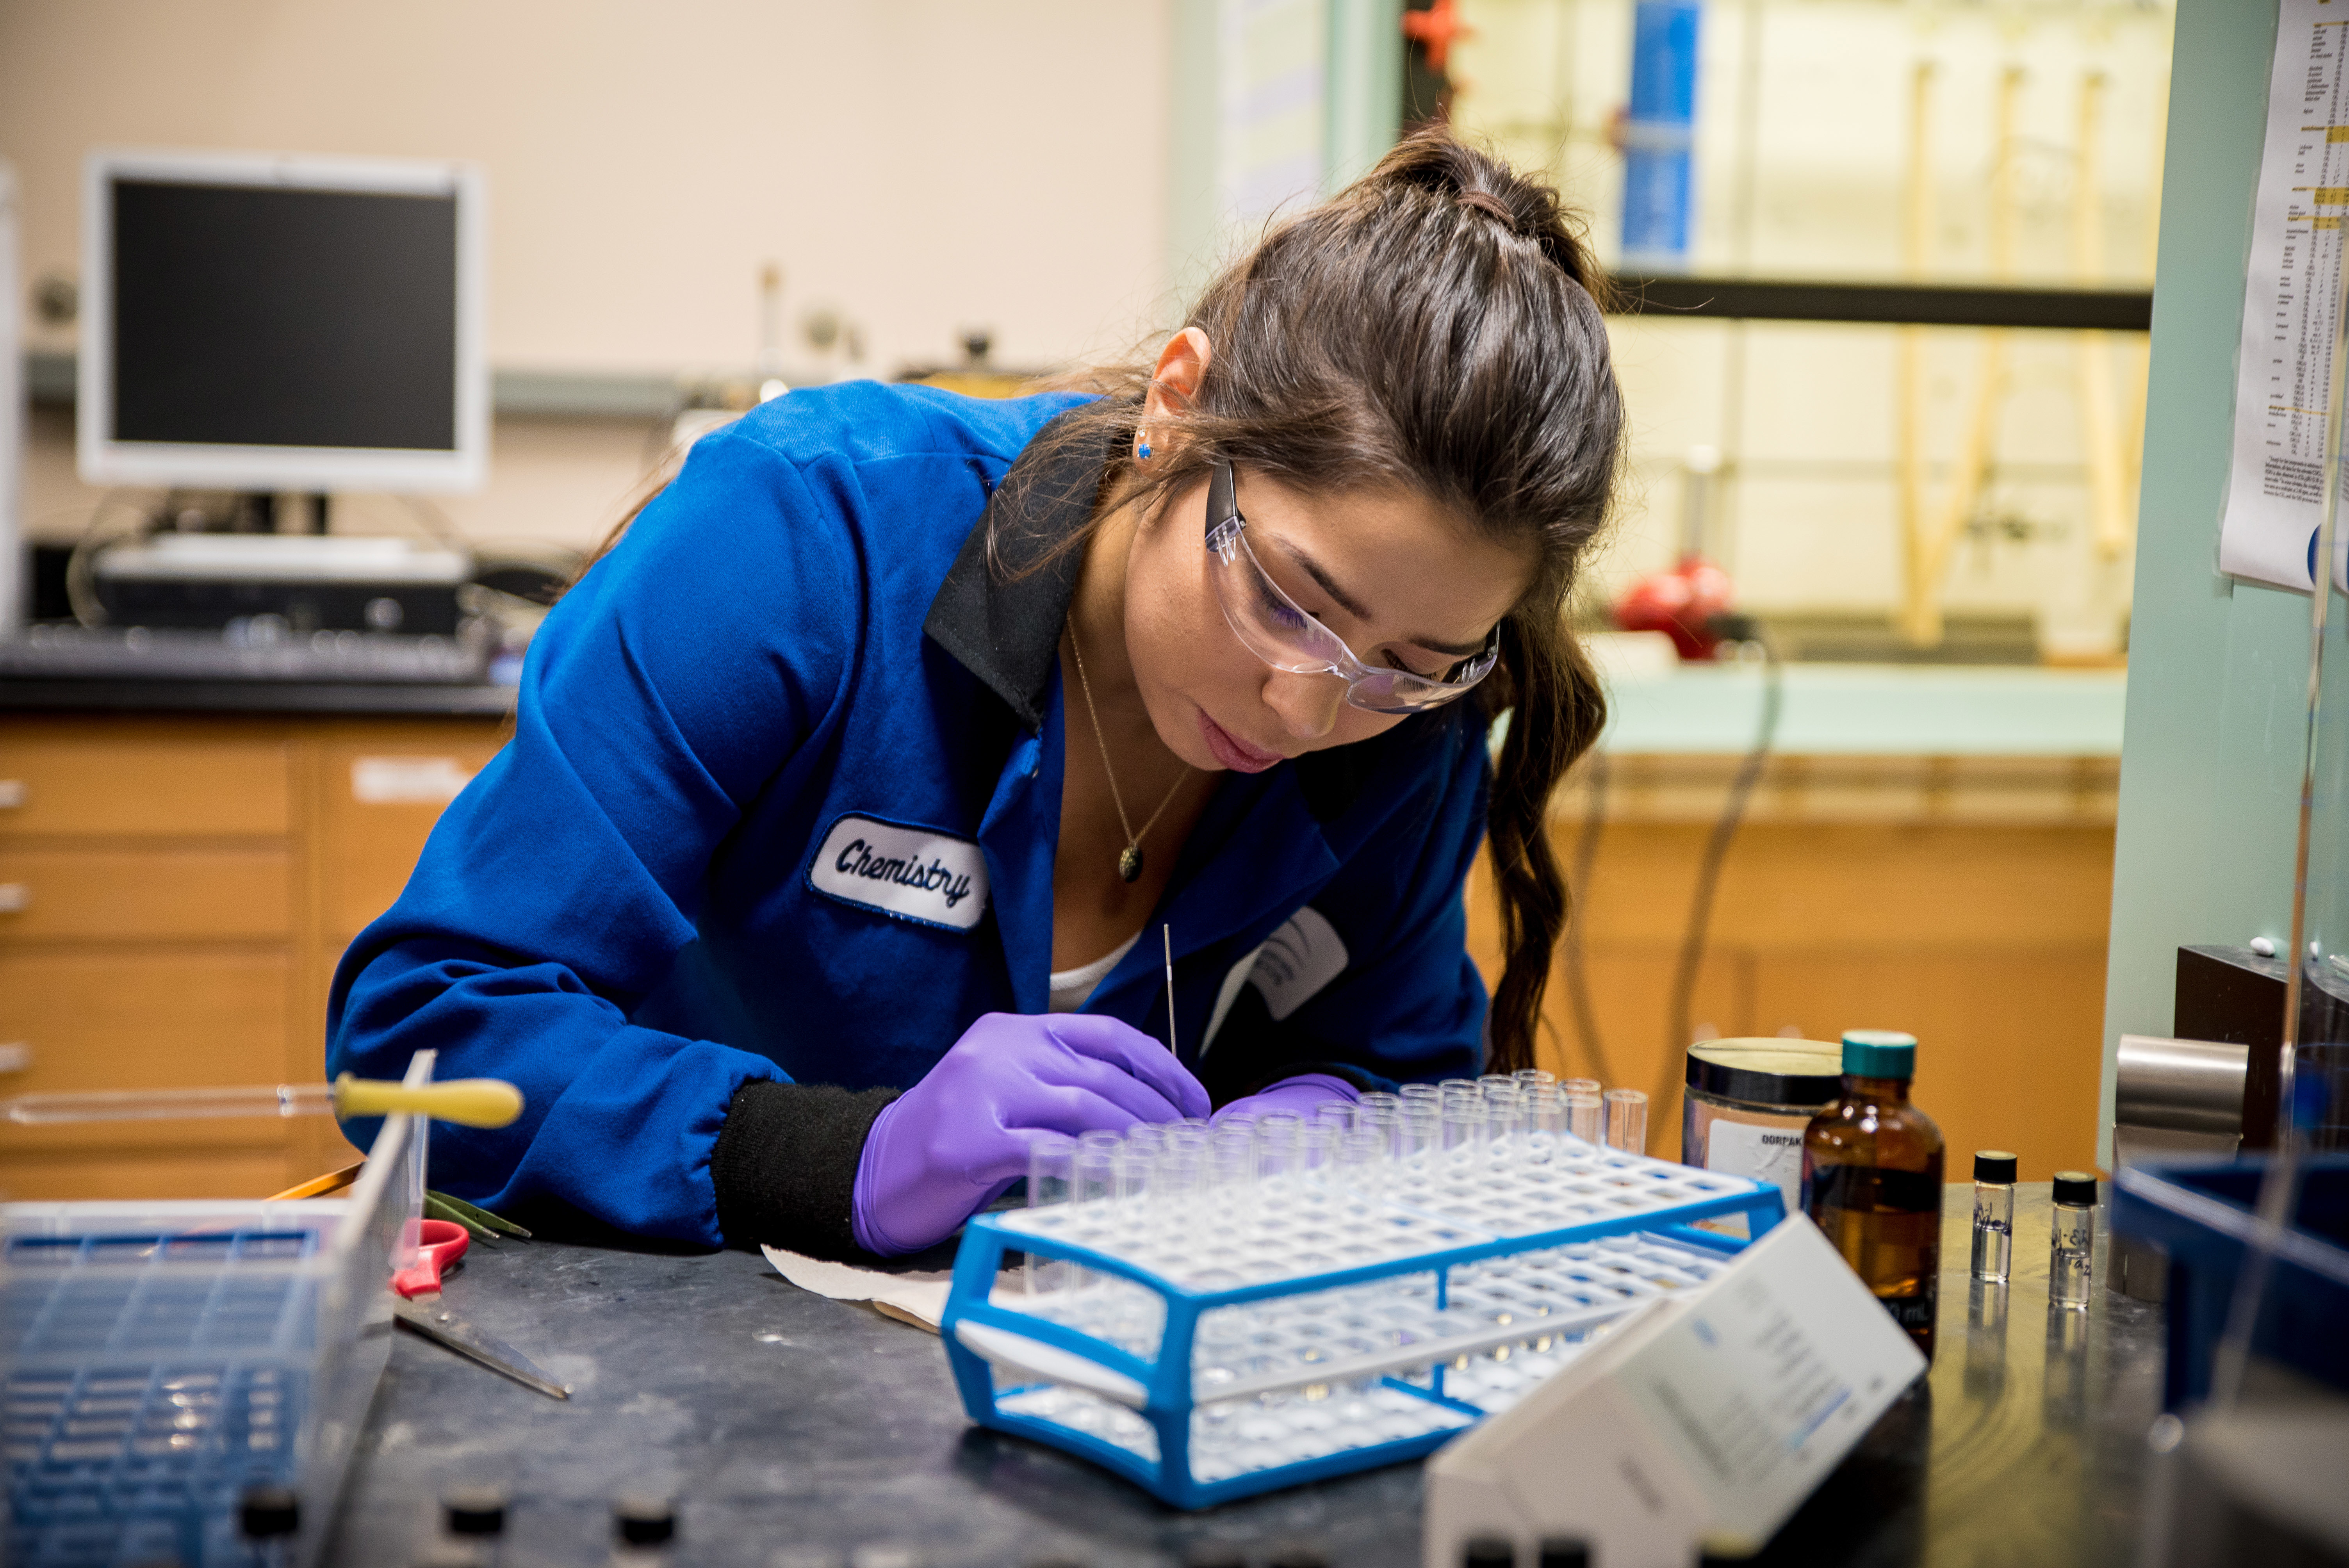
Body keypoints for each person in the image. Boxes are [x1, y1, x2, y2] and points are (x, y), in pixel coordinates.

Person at [326, 130, 1624, 1258]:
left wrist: (1338, 1132)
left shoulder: (1411, 719)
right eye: (1287, 599)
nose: (1304, 711)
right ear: (1178, 407)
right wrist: (832, 1157)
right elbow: (423, 1034)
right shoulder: (809, 538)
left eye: (1405, 664)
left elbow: (1401, 1066)